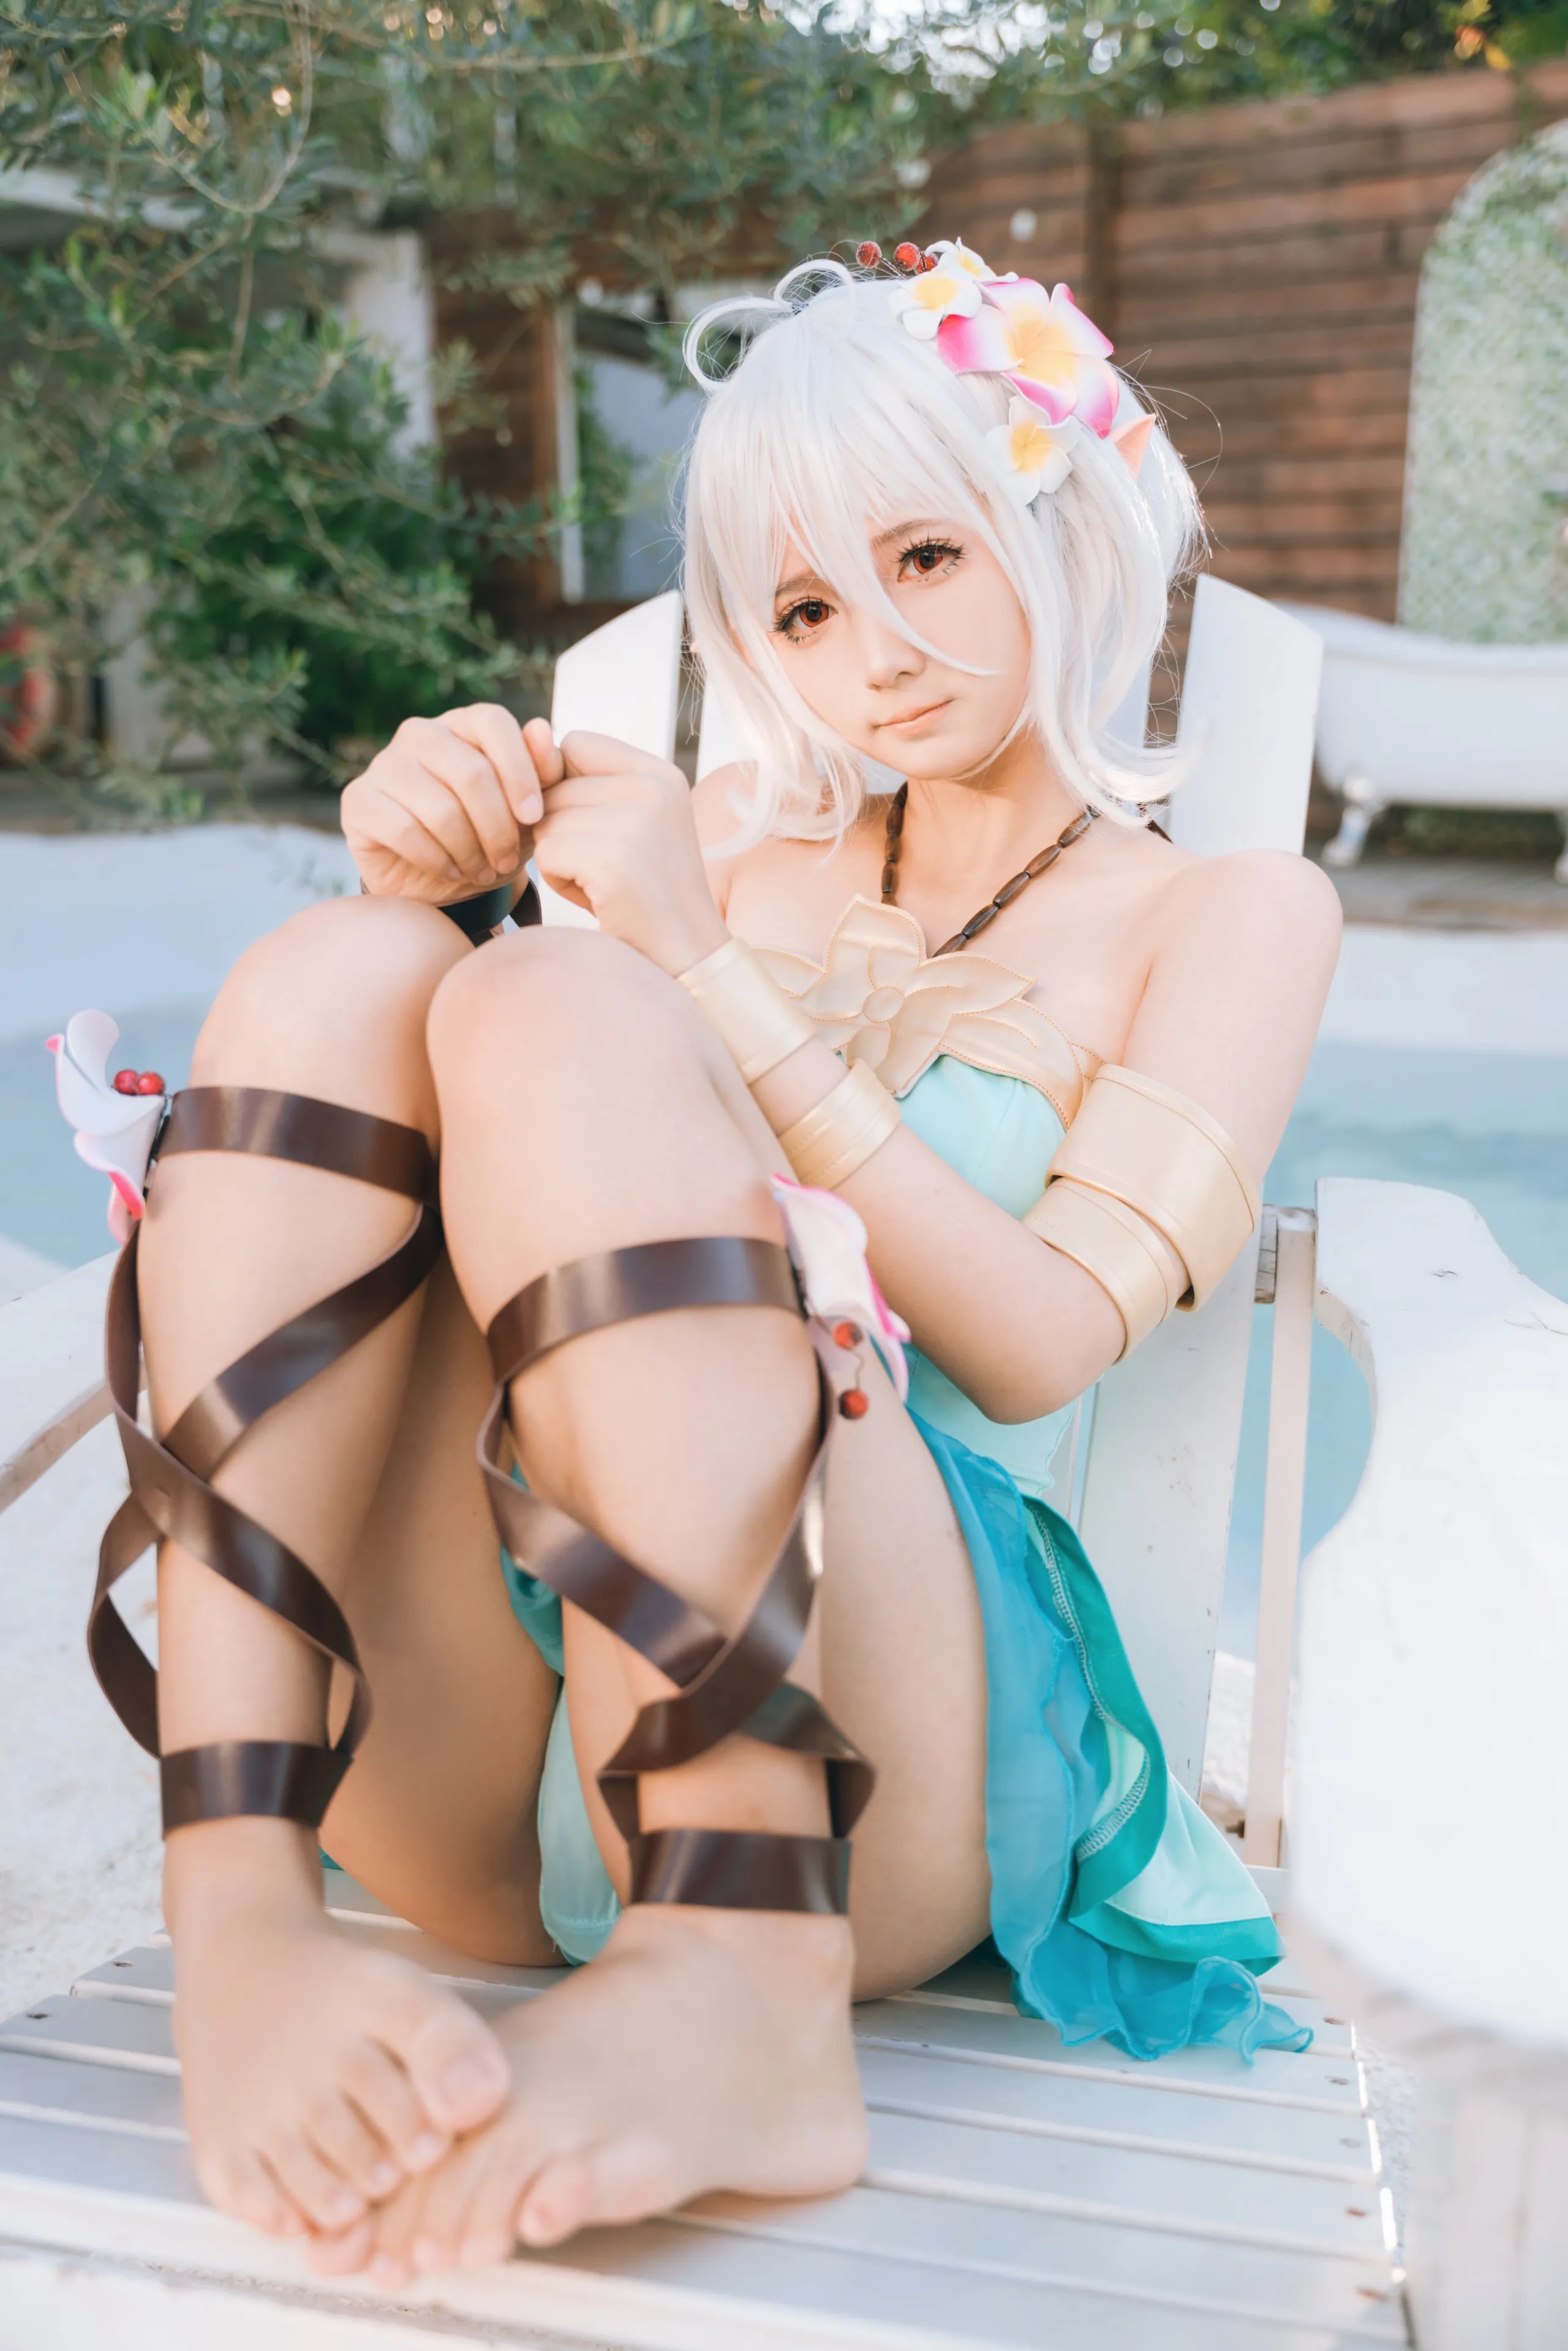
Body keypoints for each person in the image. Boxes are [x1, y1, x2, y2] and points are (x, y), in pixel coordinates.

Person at [80, 240, 1341, 2287]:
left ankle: (733, 1959)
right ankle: (236, 1911)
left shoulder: (1222, 914)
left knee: (558, 997)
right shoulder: (726, 838)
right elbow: (501, 1168)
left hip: (889, 1751)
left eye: (928, 557)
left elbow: (1037, 1341)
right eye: (808, 609)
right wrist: (432, 882)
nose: (878, 655)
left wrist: (685, 962)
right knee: (351, 968)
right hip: (505, 1728)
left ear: (1064, 518)